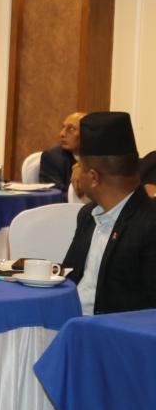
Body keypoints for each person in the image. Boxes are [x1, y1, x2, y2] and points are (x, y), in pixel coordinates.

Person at [60, 112, 156, 315]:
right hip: (71, 325)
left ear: (93, 177)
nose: (76, 174)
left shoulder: (149, 224)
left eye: (80, 168)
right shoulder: (88, 215)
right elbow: (68, 278)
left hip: (114, 337)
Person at [38, 112, 84, 190]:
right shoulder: (52, 158)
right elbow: (58, 195)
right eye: (63, 127)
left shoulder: (98, 158)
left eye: (71, 129)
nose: (62, 134)